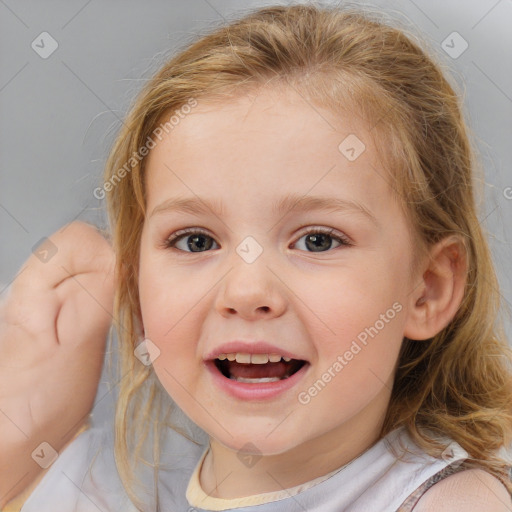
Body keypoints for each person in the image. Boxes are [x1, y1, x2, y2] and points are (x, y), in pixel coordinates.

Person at [3, 3, 512, 511]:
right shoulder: (103, 488)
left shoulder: (459, 502)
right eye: (195, 241)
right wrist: (24, 441)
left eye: (318, 240)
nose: (247, 293)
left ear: (427, 288)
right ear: (136, 288)